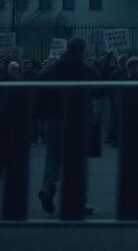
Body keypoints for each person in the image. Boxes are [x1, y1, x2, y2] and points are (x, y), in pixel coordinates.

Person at [37, 37, 100, 216]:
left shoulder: (50, 69)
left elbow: (39, 93)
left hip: (53, 119)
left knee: (53, 157)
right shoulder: (86, 69)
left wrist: (42, 117)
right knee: (78, 161)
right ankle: (79, 201)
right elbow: (101, 89)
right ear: (82, 50)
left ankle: (48, 187)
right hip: (78, 119)